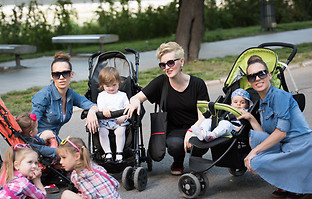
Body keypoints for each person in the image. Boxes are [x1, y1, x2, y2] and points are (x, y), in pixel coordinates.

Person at [124, 41, 210, 175]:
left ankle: (197, 157)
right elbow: (137, 97)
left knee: (199, 140)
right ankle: (178, 160)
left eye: (170, 63)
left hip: (196, 127)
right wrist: (135, 101)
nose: (167, 68)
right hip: (173, 130)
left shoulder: (198, 84)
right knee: (175, 145)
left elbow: (203, 117)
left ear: (181, 61)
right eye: (163, 65)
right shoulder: (161, 82)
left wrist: (191, 131)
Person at [238, 55, 312, 199]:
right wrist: (251, 118)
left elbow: (281, 133)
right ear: (249, 81)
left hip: (301, 146)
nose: (258, 78)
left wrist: (254, 152)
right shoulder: (261, 103)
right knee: (255, 139)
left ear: (269, 75)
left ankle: (297, 183)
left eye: (261, 73)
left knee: (255, 159)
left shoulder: (280, 96)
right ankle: (287, 180)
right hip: (285, 146)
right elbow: (266, 135)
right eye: (252, 76)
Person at [58, 137, 125, 199]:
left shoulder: (77, 175)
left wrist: (78, 196)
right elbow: (115, 184)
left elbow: (90, 196)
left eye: (63, 158)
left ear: (77, 156)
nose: (60, 162)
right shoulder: (95, 167)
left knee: (66, 196)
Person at [31, 52, 99, 141]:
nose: (61, 77)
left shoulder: (70, 94)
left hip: (53, 139)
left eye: (65, 73)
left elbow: (90, 104)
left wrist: (92, 111)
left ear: (71, 74)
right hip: (38, 139)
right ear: (52, 76)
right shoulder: (43, 96)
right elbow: (30, 128)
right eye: (57, 74)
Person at [187, 88, 253, 142]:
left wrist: (243, 127)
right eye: (235, 102)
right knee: (208, 121)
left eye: (242, 102)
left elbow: (247, 122)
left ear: (247, 105)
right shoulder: (228, 110)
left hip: (234, 128)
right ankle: (202, 132)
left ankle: (212, 135)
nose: (238, 104)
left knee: (225, 123)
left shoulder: (245, 112)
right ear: (231, 104)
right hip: (221, 125)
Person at [97, 67, 129, 163]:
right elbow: (100, 107)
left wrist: (124, 117)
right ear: (102, 85)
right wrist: (104, 109)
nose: (111, 88)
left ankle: (119, 153)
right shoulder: (101, 95)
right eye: (107, 86)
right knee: (102, 132)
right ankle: (108, 153)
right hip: (105, 121)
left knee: (120, 132)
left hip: (119, 121)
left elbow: (128, 108)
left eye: (114, 85)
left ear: (119, 82)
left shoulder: (123, 95)